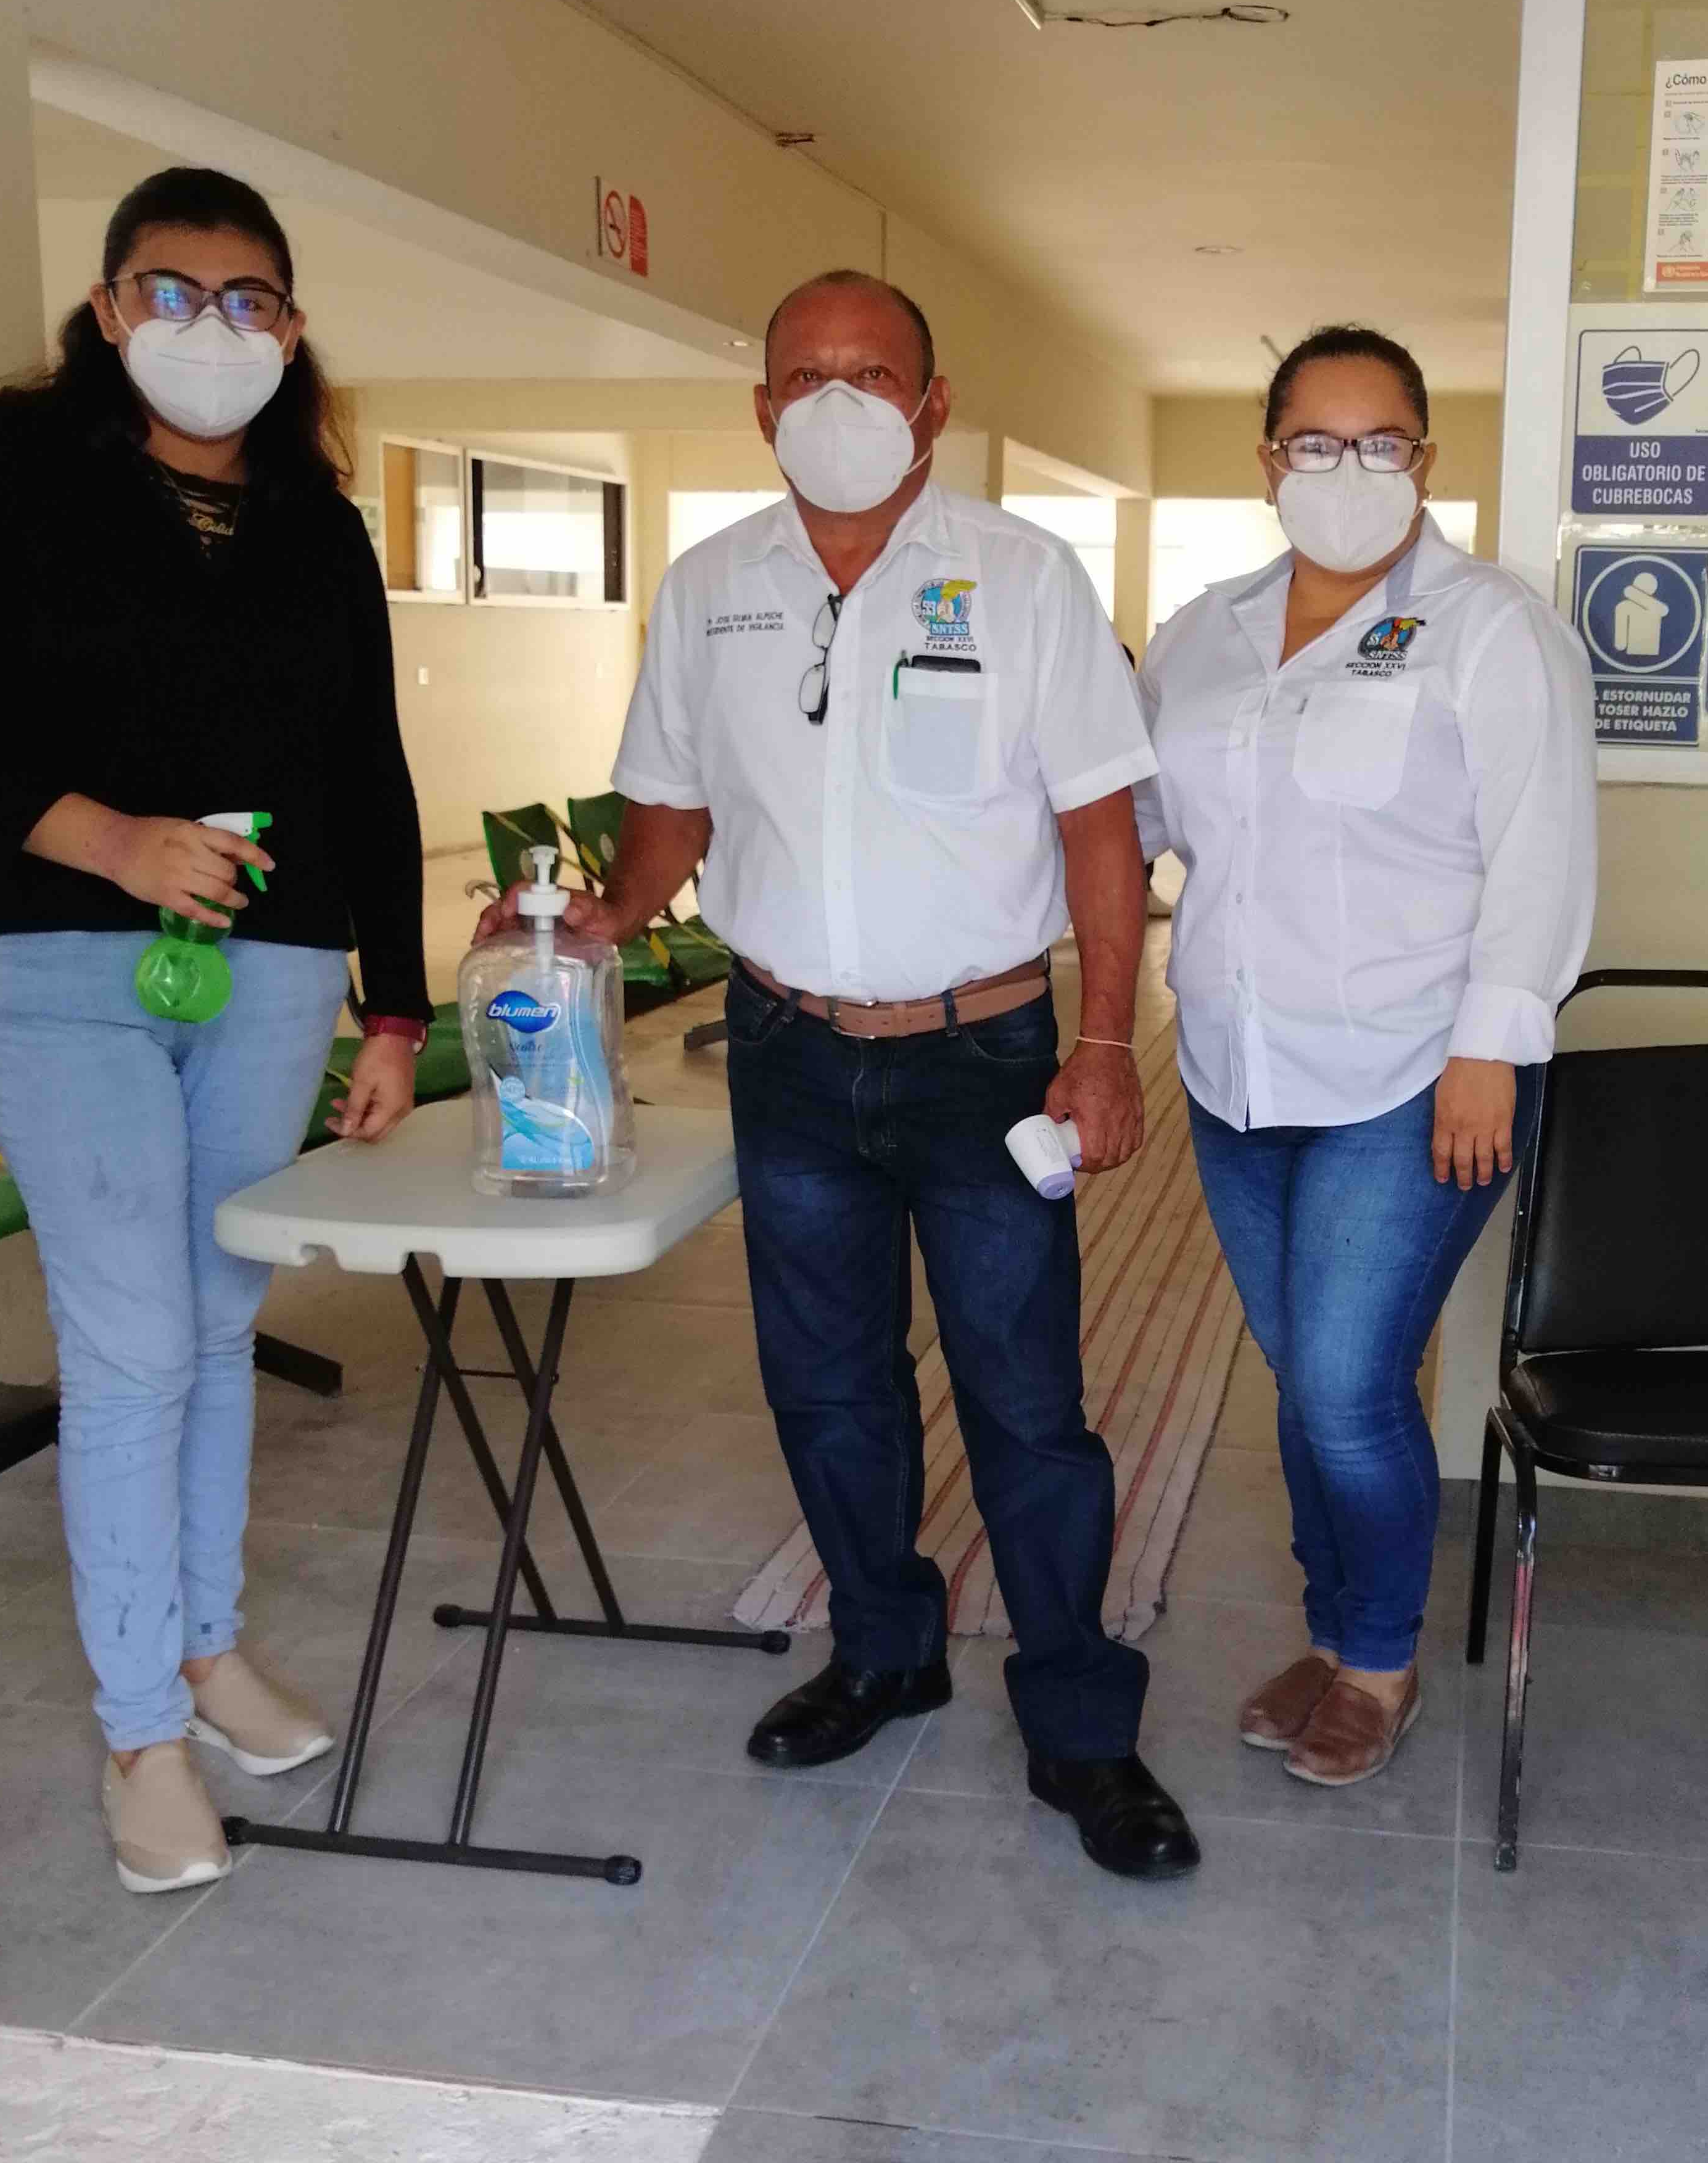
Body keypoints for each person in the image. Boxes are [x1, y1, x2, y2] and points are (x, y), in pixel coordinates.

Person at [478, 268, 1197, 1878]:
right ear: (762, 407)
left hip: (986, 1056)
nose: (837, 401)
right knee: (826, 1385)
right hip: (788, 1051)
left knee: (1025, 1401)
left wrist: (1102, 1045)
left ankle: (1081, 1725)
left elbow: (1099, 824)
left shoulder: (1023, 578)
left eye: (873, 374)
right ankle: (884, 1649)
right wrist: (605, 913)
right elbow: (670, 805)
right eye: (806, 375)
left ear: (933, 405)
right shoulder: (708, 588)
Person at [0, 167, 427, 1893]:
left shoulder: (315, 520)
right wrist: (105, 837)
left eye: (247, 296)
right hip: (59, 960)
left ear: (291, 324)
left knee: (213, 1315)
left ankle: (205, 1647)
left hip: (267, 970)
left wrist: (396, 1004)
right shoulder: (10, 465)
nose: (211, 324)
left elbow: (368, 768)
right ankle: (140, 1732)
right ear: (110, 308)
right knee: (130, 1344)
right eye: (172, 291)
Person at [1137, 325, 1596, 1786]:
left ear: (1425, 459)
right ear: (1268, 460)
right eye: (1316, 442)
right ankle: (1336, 1631)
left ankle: (1381, 1659)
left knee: (1344, 1382)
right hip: (1236, 1069)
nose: (1349, 467)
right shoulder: (1202, 634)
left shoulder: (1489, 627)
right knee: (1304, 1376)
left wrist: (1492, 1049)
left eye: (1381, 440)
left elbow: (1541, 850)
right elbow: (1132, 824)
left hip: (1415, 1072)